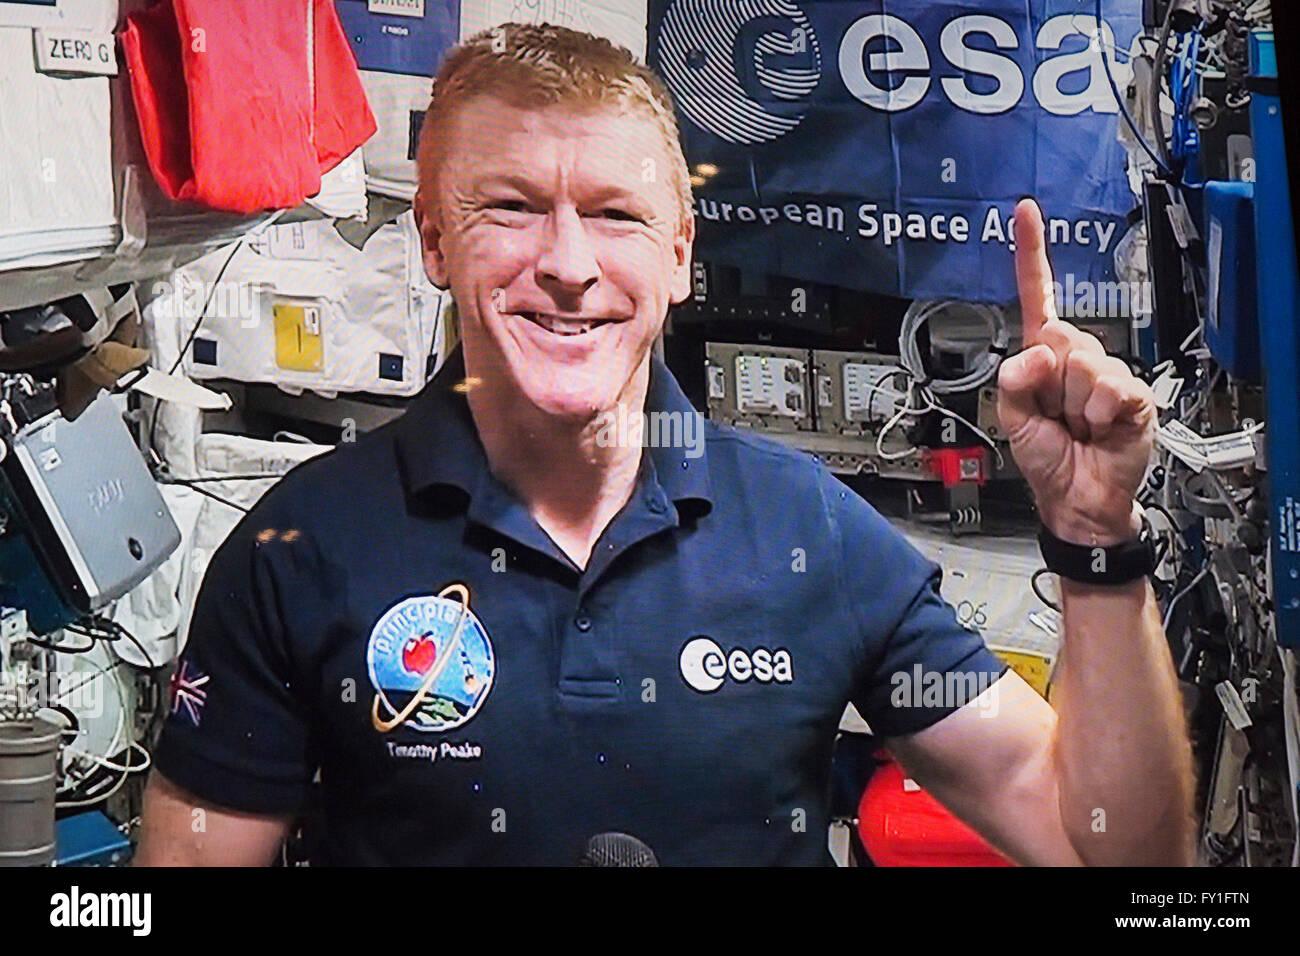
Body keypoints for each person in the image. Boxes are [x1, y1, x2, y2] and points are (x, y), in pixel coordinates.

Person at [135, 23, 1194, 866]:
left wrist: (1093, 538)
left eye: (615, 216)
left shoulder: (811, 532)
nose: (567, 263)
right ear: (432, 240)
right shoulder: (299, 547)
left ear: (680, 252)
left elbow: (1112, 852)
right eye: (510, 207)